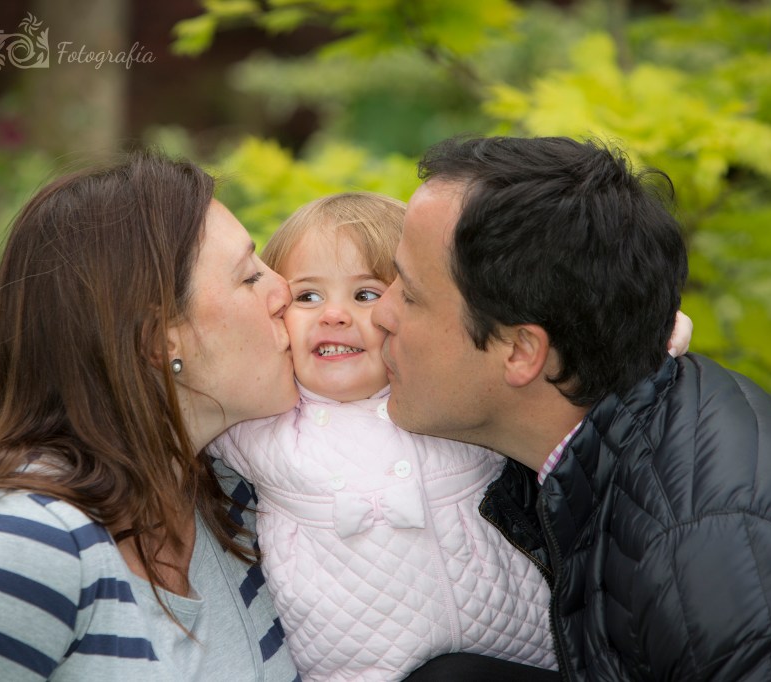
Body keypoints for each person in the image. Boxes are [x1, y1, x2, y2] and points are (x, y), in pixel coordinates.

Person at [373, 135, 771, 680]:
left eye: (410, 295)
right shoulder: (611, 418)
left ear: (521, 352)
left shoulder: (712, 559)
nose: (380, 313)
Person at [0, 151, 302, 681]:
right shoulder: (15, 555)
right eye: (249, 277)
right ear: (157, 341)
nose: (286, 292)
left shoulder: (239, 500)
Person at [215, 191, 685, 681]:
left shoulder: (440, 400)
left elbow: (576, 367)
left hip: (528, 658)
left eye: (366, 294)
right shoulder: (264, 422)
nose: (333, 315)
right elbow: (184, 411)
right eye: (307, 296)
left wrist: (653, 332)